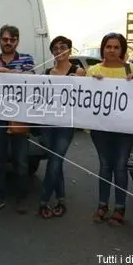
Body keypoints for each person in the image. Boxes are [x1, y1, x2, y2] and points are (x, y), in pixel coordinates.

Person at [87, 32, 133, 225]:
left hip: (124, 129)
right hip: (100, 129)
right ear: (103, 48)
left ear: (122, 50)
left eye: (116, 47)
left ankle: (120, 208)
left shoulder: (130, 69)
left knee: (120, 167)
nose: (112, 50)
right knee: (104, 165)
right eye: (108, 46)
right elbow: (84, 97)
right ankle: (102, 205)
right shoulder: (93, 70)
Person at [0, 25, 35, 214]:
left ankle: (22, 198)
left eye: (12, 40)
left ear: (17, 41)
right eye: (5, 39)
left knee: (21, 161)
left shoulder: (27, 59)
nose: (8, 43)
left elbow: (31, 78)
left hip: (20, 117)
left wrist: (6, 72)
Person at [38, 36, 85, 219]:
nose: (58, 51)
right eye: (55, 48)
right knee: (54, 161)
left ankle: (43, 201)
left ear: (70, 50)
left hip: (66, 124)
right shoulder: (47, 72)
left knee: (55, 160)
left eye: (62, 47)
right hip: (48, 124)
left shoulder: (78, 71)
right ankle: (61, 200)